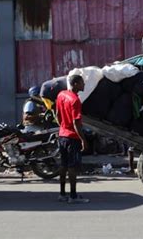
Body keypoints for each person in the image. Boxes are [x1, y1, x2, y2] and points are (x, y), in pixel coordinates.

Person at [56, 75, 90, 204]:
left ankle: (62, 194)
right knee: (72, 167)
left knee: (63, 165)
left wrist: (63, 127)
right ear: (75, 84)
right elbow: (77, 123)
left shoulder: (61, 95)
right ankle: (73, 196)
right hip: (72, 138)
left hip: (62, 135)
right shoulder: (75, 100)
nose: (84, 85)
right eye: (82, 83)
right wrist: (83, 140)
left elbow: (58, 114)